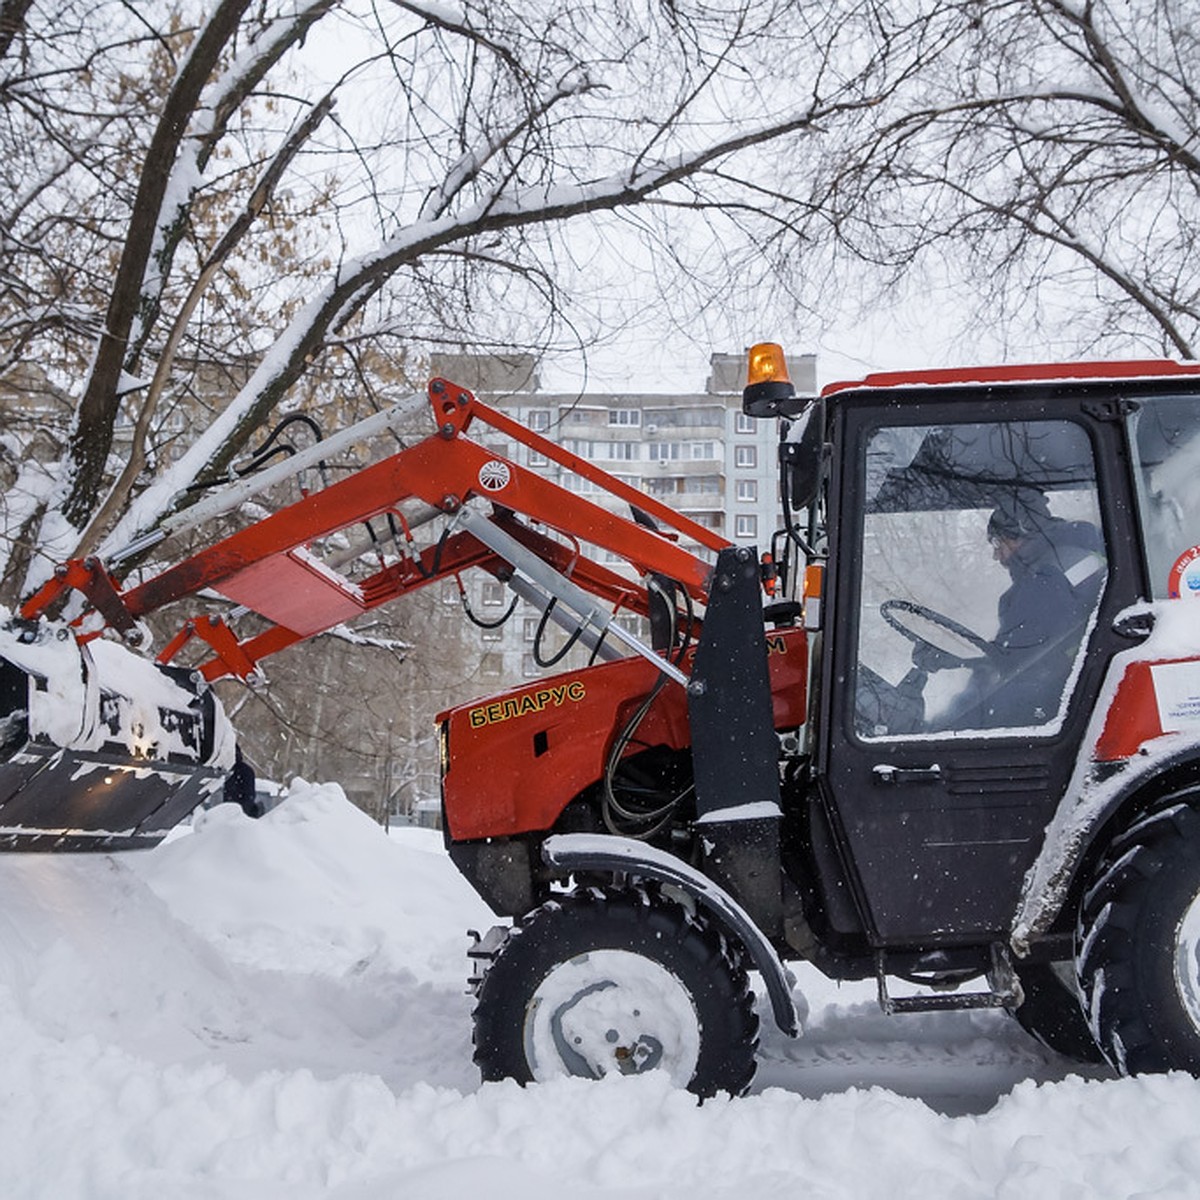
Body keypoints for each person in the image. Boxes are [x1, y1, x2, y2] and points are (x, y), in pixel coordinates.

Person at [976, 492, 1105, 727]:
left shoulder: (1044, 580)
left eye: (998, 542)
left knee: (986, 712)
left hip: (1065, 692)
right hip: (1087, 676)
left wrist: (977, 676)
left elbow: (1016, 658)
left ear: (1021, 533)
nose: (996, 555)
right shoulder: (1078, 554)